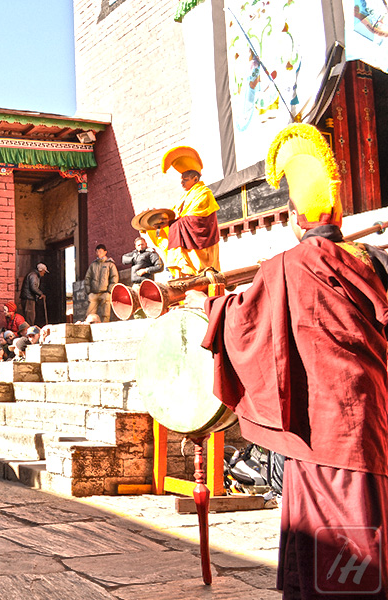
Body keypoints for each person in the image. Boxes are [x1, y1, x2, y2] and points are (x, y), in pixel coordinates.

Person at [198, 124, 388, 599]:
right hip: (372, 424)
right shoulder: (372, 259)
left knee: (330, 549)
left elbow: (241, 324)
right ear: (339, 213)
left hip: (319, 434)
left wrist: (212, 304)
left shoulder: (286, 267)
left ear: (294, 219)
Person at [147, 146, 221, 278]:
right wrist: (156, 221)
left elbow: (197, 222)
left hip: (200, 249)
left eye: (185, 179)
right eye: (181, 179)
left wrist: (171, 222)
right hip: (185, 245)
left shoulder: (204, 193)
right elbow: (174, 216)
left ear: (195, 179)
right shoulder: (184, 198)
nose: (181, 182)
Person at [84, 244, 119, 323]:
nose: (98, 253)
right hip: (93, 293)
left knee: (105, 314)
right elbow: (87, 278)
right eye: (97, 252)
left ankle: (105, 329)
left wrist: (109, 291)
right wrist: (88, 291)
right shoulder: (93, 265)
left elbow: (114, 277)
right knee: (89, 314)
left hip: (105, 293)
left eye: (100, 251)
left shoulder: (110, 264)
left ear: (105, 252)